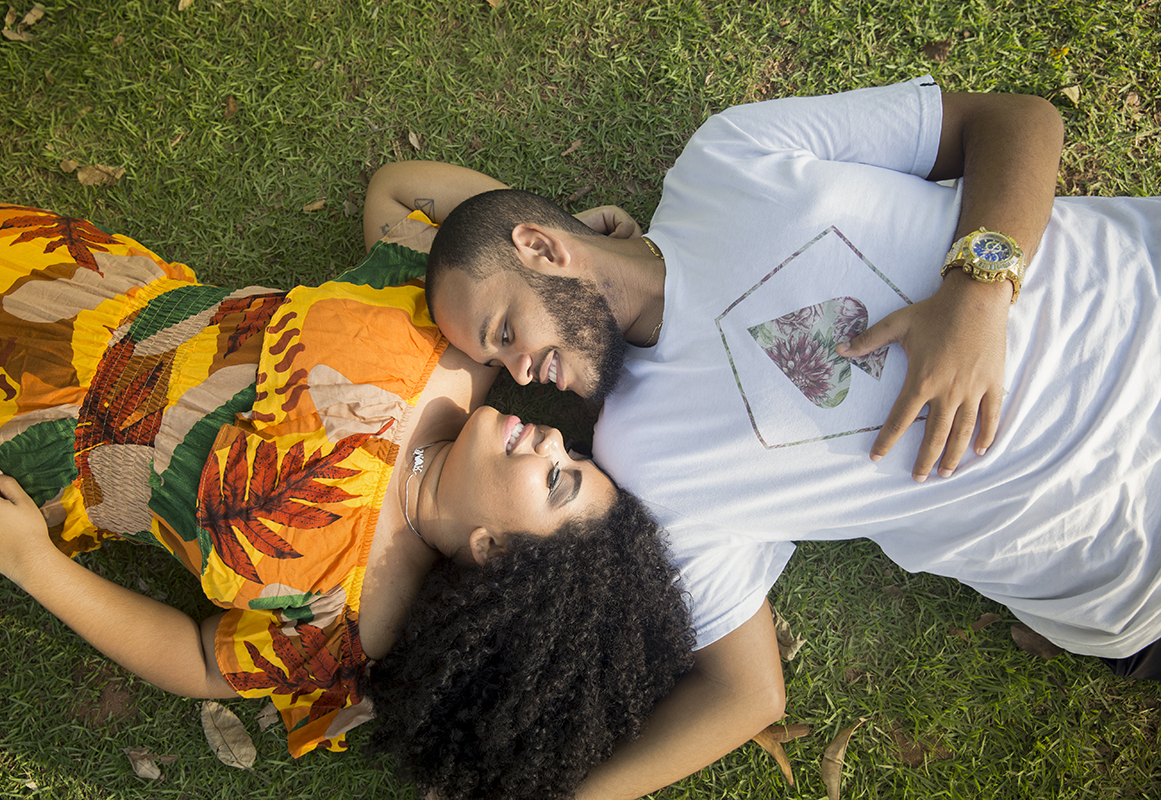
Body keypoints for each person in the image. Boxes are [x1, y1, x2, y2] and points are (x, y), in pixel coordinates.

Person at [368, 75, 1161, 798]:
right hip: (1132, 560)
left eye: (505, 330)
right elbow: (745, 694)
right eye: (494, 357)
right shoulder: (642, 461)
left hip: (1140, 295)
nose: (520, 373)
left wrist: (981, 291)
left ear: (542, 246)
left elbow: (1016, 119)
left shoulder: (731, 157)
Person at [0, 199, 695, 800]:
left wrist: (31, 564)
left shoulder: (343, 624)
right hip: (60, 278)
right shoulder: (448, 346)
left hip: (10, 433)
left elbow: (195, 660)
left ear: (493, 550)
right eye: (575, 452)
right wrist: (566, 237)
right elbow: (407, 195)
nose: (550, 440)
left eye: (557, 478)